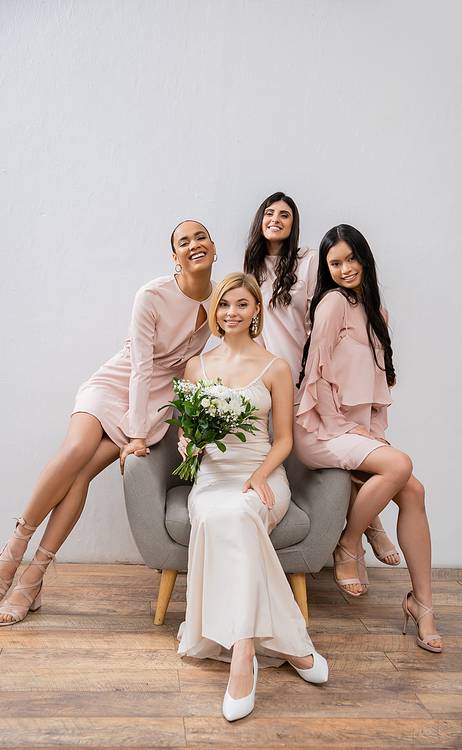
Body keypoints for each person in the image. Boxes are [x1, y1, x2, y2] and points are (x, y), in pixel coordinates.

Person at [0, 220, 217, 626]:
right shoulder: (152, 294)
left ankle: (34, 579)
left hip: (157, 401)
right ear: (175, 256)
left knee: (81, 478)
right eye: (184, 241)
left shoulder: (219, 301)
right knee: (75, 451)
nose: (194, 245)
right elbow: (141, 368)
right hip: (119, 382)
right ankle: (15, 546)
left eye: (201, 237)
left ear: (213, 246)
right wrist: (138, 434)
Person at [176, 272, 329, 723]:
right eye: (224, 305)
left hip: (260, 474)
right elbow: (187, 433)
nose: (231, 313)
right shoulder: (196, 367)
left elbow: (284, 440)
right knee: (217, 513)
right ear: (215, 311)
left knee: (244, 512)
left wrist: (261, 474)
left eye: (241, 305)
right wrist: (190, 445)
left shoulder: (276, 367)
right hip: (210, 479)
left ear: (256, 310)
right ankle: (291, 647)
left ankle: (243, 657)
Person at [294, 224, 443, 652]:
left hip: (356, 433)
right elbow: (315, 375)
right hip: (319, 430)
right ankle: (349, 542)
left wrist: (375, 439)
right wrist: (341, 426)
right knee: (401, 466)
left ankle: (422, 604)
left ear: (364, 257)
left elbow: (378, 395)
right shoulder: (332, 304)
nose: (344, 269)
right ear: (326, 269)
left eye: (350, 259)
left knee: (413, 491)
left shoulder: (378, 313)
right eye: (334, 263)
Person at [244, 192, 400, 580]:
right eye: (269, 213)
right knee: (339, 454)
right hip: (279, 373)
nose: (276, 219)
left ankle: (369, 529)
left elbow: (323, 312)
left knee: (344, 450)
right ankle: (368, 531)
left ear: (295, 223)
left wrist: (318, 366)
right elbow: (255, 328)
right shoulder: (251, 270)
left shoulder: (310, 260)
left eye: (285, 214)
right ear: (260, 222)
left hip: (315, 369)